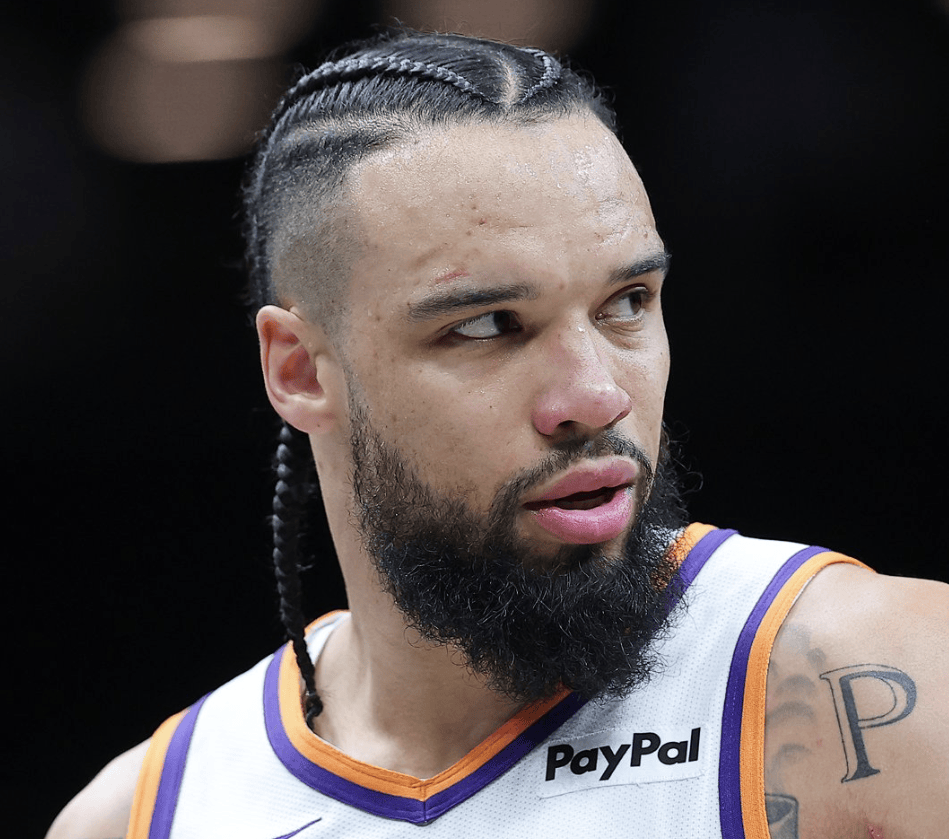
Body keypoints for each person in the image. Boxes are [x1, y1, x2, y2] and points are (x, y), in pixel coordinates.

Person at [46, 30, 948, 839]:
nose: (594, 396)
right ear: (300, 371)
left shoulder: (892, 681)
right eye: (486, 325)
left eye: (626, 302)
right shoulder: (143, 815)